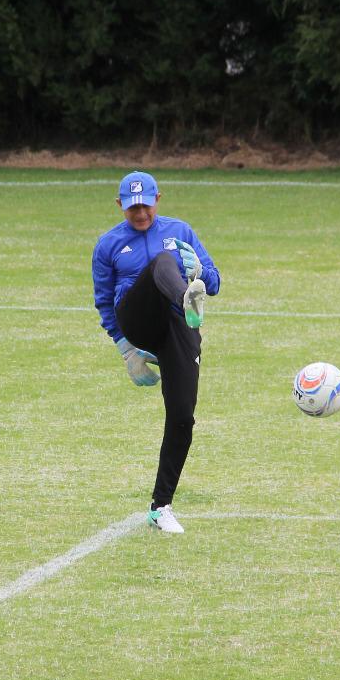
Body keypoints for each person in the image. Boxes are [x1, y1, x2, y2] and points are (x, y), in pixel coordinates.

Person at [92, 171, 221, 533]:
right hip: (138, 321)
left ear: (158, 200)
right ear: (120, 205)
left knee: (182, 417)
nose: (140, 213)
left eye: (146, 205)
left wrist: (199, 273)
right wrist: (124, 349)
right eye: (132, 207)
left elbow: (215, 280)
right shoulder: (108, 245)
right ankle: (185, 297)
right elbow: (103, 302)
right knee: (163, 263)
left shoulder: (180, 231)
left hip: (178, 326)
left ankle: (160, 506)